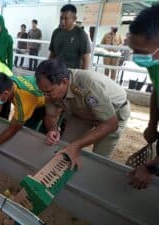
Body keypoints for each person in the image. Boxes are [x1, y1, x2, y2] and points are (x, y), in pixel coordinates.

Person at [35, 58, 130, 168]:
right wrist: (52, 129)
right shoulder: (51, 87)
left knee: (98, 160)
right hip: (81, 113)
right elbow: (51, 115)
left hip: (113, 114)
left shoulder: (87, 85)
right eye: (43, 92)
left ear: (64, 82)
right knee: (64, 147)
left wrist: (76, 146)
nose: (45, 96)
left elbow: (111, 124)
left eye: (49, 92)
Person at [127, 4, 159, 189]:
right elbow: (156, 90)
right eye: (134, 50)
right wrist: (152, 124)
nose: (136, 57)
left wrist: (151, 167)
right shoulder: (154, 60)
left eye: (142, 52)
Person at [49, 4, 91, 70]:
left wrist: (82, 77)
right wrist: (47, 68)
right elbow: (52, 54)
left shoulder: (81, 34)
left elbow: (86, 59)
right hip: (56, 72)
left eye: (66, 18)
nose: (62, 21)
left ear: (74, 19)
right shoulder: (56, 32)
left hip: (72, 74)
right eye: (61, 18)